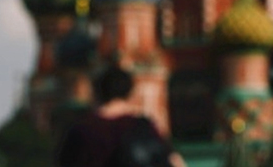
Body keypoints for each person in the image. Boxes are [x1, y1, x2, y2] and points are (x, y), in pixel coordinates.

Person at [57, 65, 185, 167]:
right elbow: (174, 161)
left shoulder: (80, 131)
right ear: (130, 92)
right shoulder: (143, 127)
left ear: (96, 94)